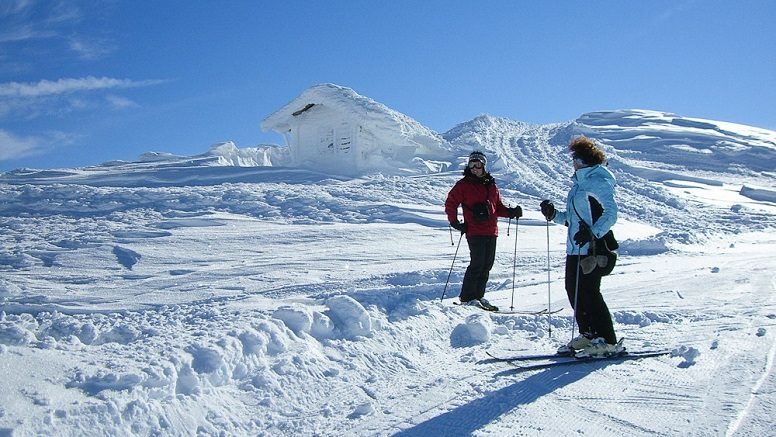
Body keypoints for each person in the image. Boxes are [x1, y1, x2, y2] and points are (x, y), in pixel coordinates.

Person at [540, 136, 620, 357]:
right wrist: (554, 214)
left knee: (590, 293)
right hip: (575, 248)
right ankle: (589, 334)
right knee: (574, 292)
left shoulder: (598, 182)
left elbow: (610, 214)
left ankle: (608, 341)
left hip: (593, 249)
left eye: (575, 157)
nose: (572, 161)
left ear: (584, 159)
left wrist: (592, 233)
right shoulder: (579, 185)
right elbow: (572, 220)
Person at [445, 151, 523, 311]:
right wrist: (454, 222)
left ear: (484, 166)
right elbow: (450, 203)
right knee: (477, 264)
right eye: (471, 164)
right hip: (474, 231)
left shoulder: (491, 185)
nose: (474, 168)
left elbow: (497, 207)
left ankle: (479, 296)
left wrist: (511, 212)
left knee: (487, 265)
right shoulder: (463, 184)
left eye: (478, 164)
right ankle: (467, 298)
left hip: (491, 231)